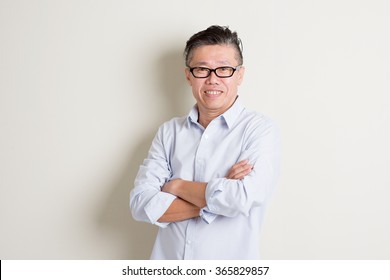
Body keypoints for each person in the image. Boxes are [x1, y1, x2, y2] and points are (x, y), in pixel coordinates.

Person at [130, 25, 280, 259]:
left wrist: (177, 186)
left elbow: (243, 198)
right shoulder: (169, 132)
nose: (213, 79)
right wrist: (219, 196)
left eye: (224, 69)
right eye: (202, 69)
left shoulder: (259, 129)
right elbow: (141, 204)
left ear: (240, 75)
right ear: (188, 75)